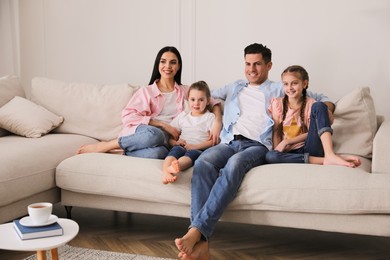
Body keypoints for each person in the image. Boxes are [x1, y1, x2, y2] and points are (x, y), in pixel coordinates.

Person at [174, 43, 334, 260]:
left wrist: (328, 111)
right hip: (229, 142)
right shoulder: (235, 86)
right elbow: (207, 97)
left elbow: (323, 99)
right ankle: (202, 244)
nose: (252, 69)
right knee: (203, 163)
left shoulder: (280, 88)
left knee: (234, 165)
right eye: (248, 64)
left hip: (257, 146)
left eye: (257, 64)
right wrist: (218, 118)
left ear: (269, 65)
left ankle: (197, 232)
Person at [76, 46, 221, 159]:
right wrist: (163, 125)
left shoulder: (186, 90)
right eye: (163, 62)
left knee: (159, 154)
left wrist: (217, 123)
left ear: (178, 67)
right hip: (148, 132)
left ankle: (120, 153)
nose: (168, 66)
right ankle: (107, 145)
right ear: (158, 65)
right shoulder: (147, 92)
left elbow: (213, 102)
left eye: (173, 62)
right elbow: (128, 116)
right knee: (156, 135)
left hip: (168, 141)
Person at [265, 65, 361, 167]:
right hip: (288, 154)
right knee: (271, 156)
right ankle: (325, 160)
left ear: (305, 84)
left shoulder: (311, 104)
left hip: (310, 148)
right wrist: (278, 149)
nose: (289, 88)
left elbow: (312, 132)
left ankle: (330, 154)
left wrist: (287, 141)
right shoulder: (277, 104)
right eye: (286, 84)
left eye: (295, 83)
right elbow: (276, 131)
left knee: (319, 105)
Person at [162, 81, 216, 184]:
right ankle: (165, 171)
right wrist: (175, 142)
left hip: (197, 148)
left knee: (189, 158)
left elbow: (213, 141)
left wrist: (195, 146)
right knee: (173, 153)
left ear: (208, 101)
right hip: (181, 145)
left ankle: (177, 166)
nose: (196, 103)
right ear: (188, 100)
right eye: (193, 99)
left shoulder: (210, 117)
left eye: (201, 100)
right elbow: (171, 137)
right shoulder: (183, 116)